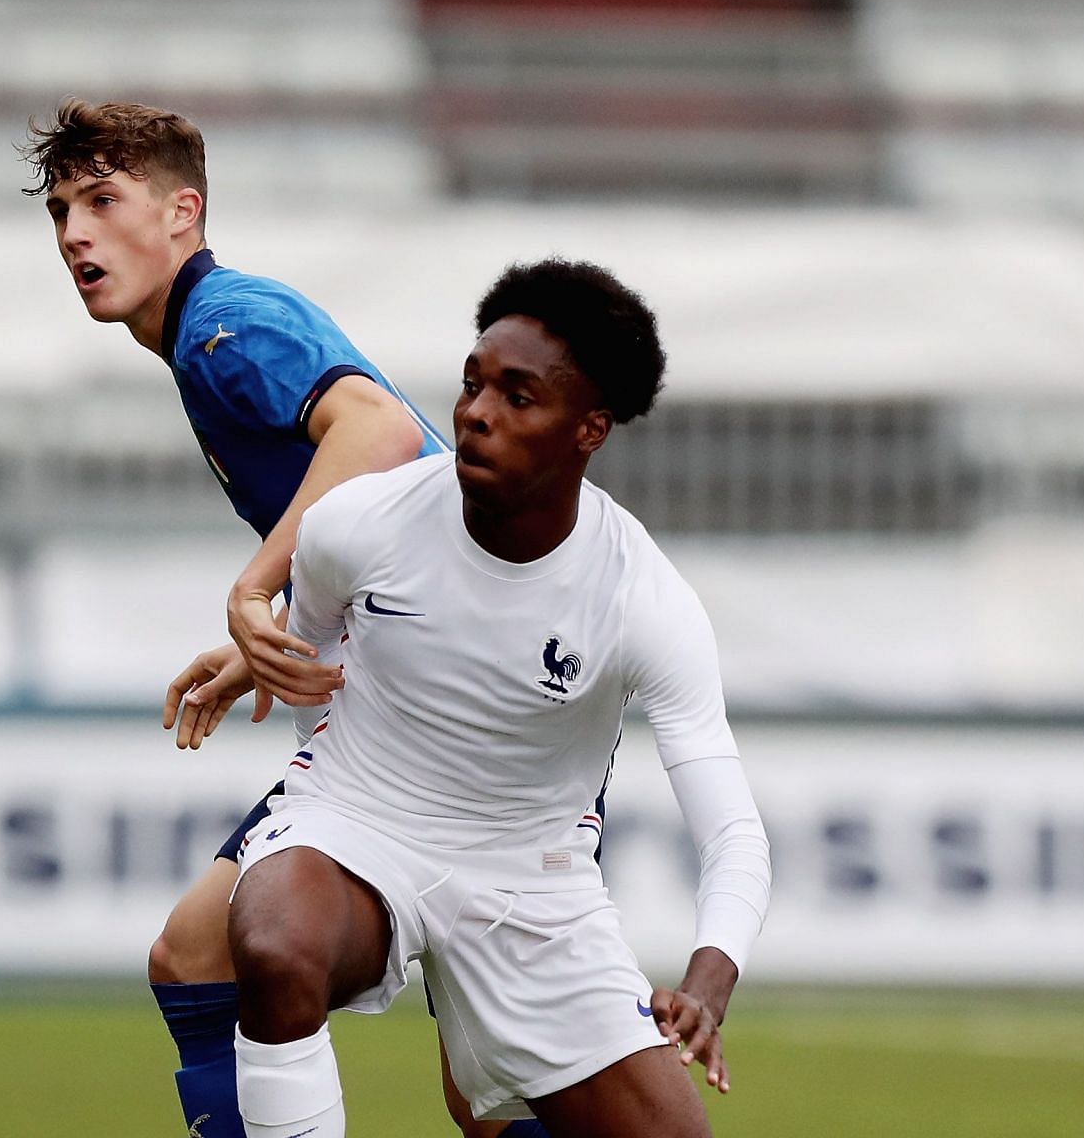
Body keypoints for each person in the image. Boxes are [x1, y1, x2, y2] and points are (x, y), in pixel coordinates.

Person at [23, 99, 520, 1138]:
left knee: (216, 964)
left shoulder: (221, 325)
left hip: (453, 702)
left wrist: (256, 585)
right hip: (455, 683)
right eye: (63, 208)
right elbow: (396, 494)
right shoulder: (214, 333)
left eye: (103, 201)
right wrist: (289, 617)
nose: (75, 232)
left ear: (181, 212)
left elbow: (378, 431)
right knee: (484, 1082)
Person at [224, 258, 773, 1138]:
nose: (475, 413)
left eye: (519, 398)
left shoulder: (642, 598)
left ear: (588, 429)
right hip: (360, 822)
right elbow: (315, 656)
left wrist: (708, 981)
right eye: (474, 382)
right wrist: (320, 772)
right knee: (273, 942)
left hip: (531, 884)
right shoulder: (355, 523)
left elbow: (732, 832)